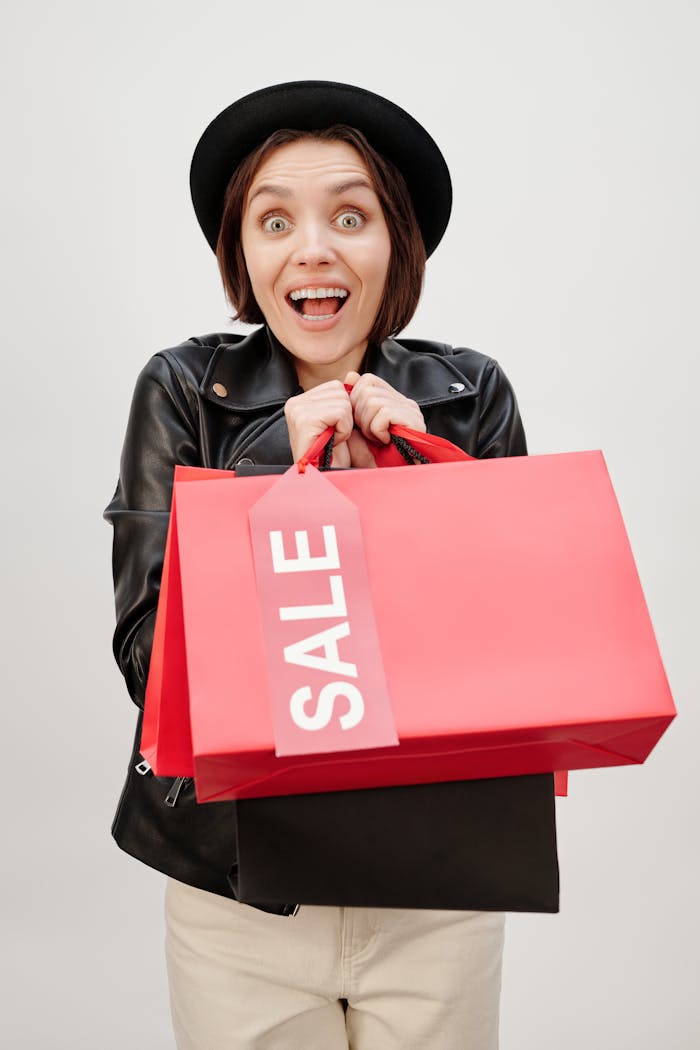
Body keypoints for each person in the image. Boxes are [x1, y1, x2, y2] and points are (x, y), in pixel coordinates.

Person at [105, 81, 559, 1050]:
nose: (312, 247)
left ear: (395, 243)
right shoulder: (183, 390)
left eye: (349, 215)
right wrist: (273, 466)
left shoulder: (469, 395)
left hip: (435, 892)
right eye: (275, 221)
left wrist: (411, 481)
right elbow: (153, 669)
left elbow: (515, 667)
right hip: (237, 901)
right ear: (245, 255)